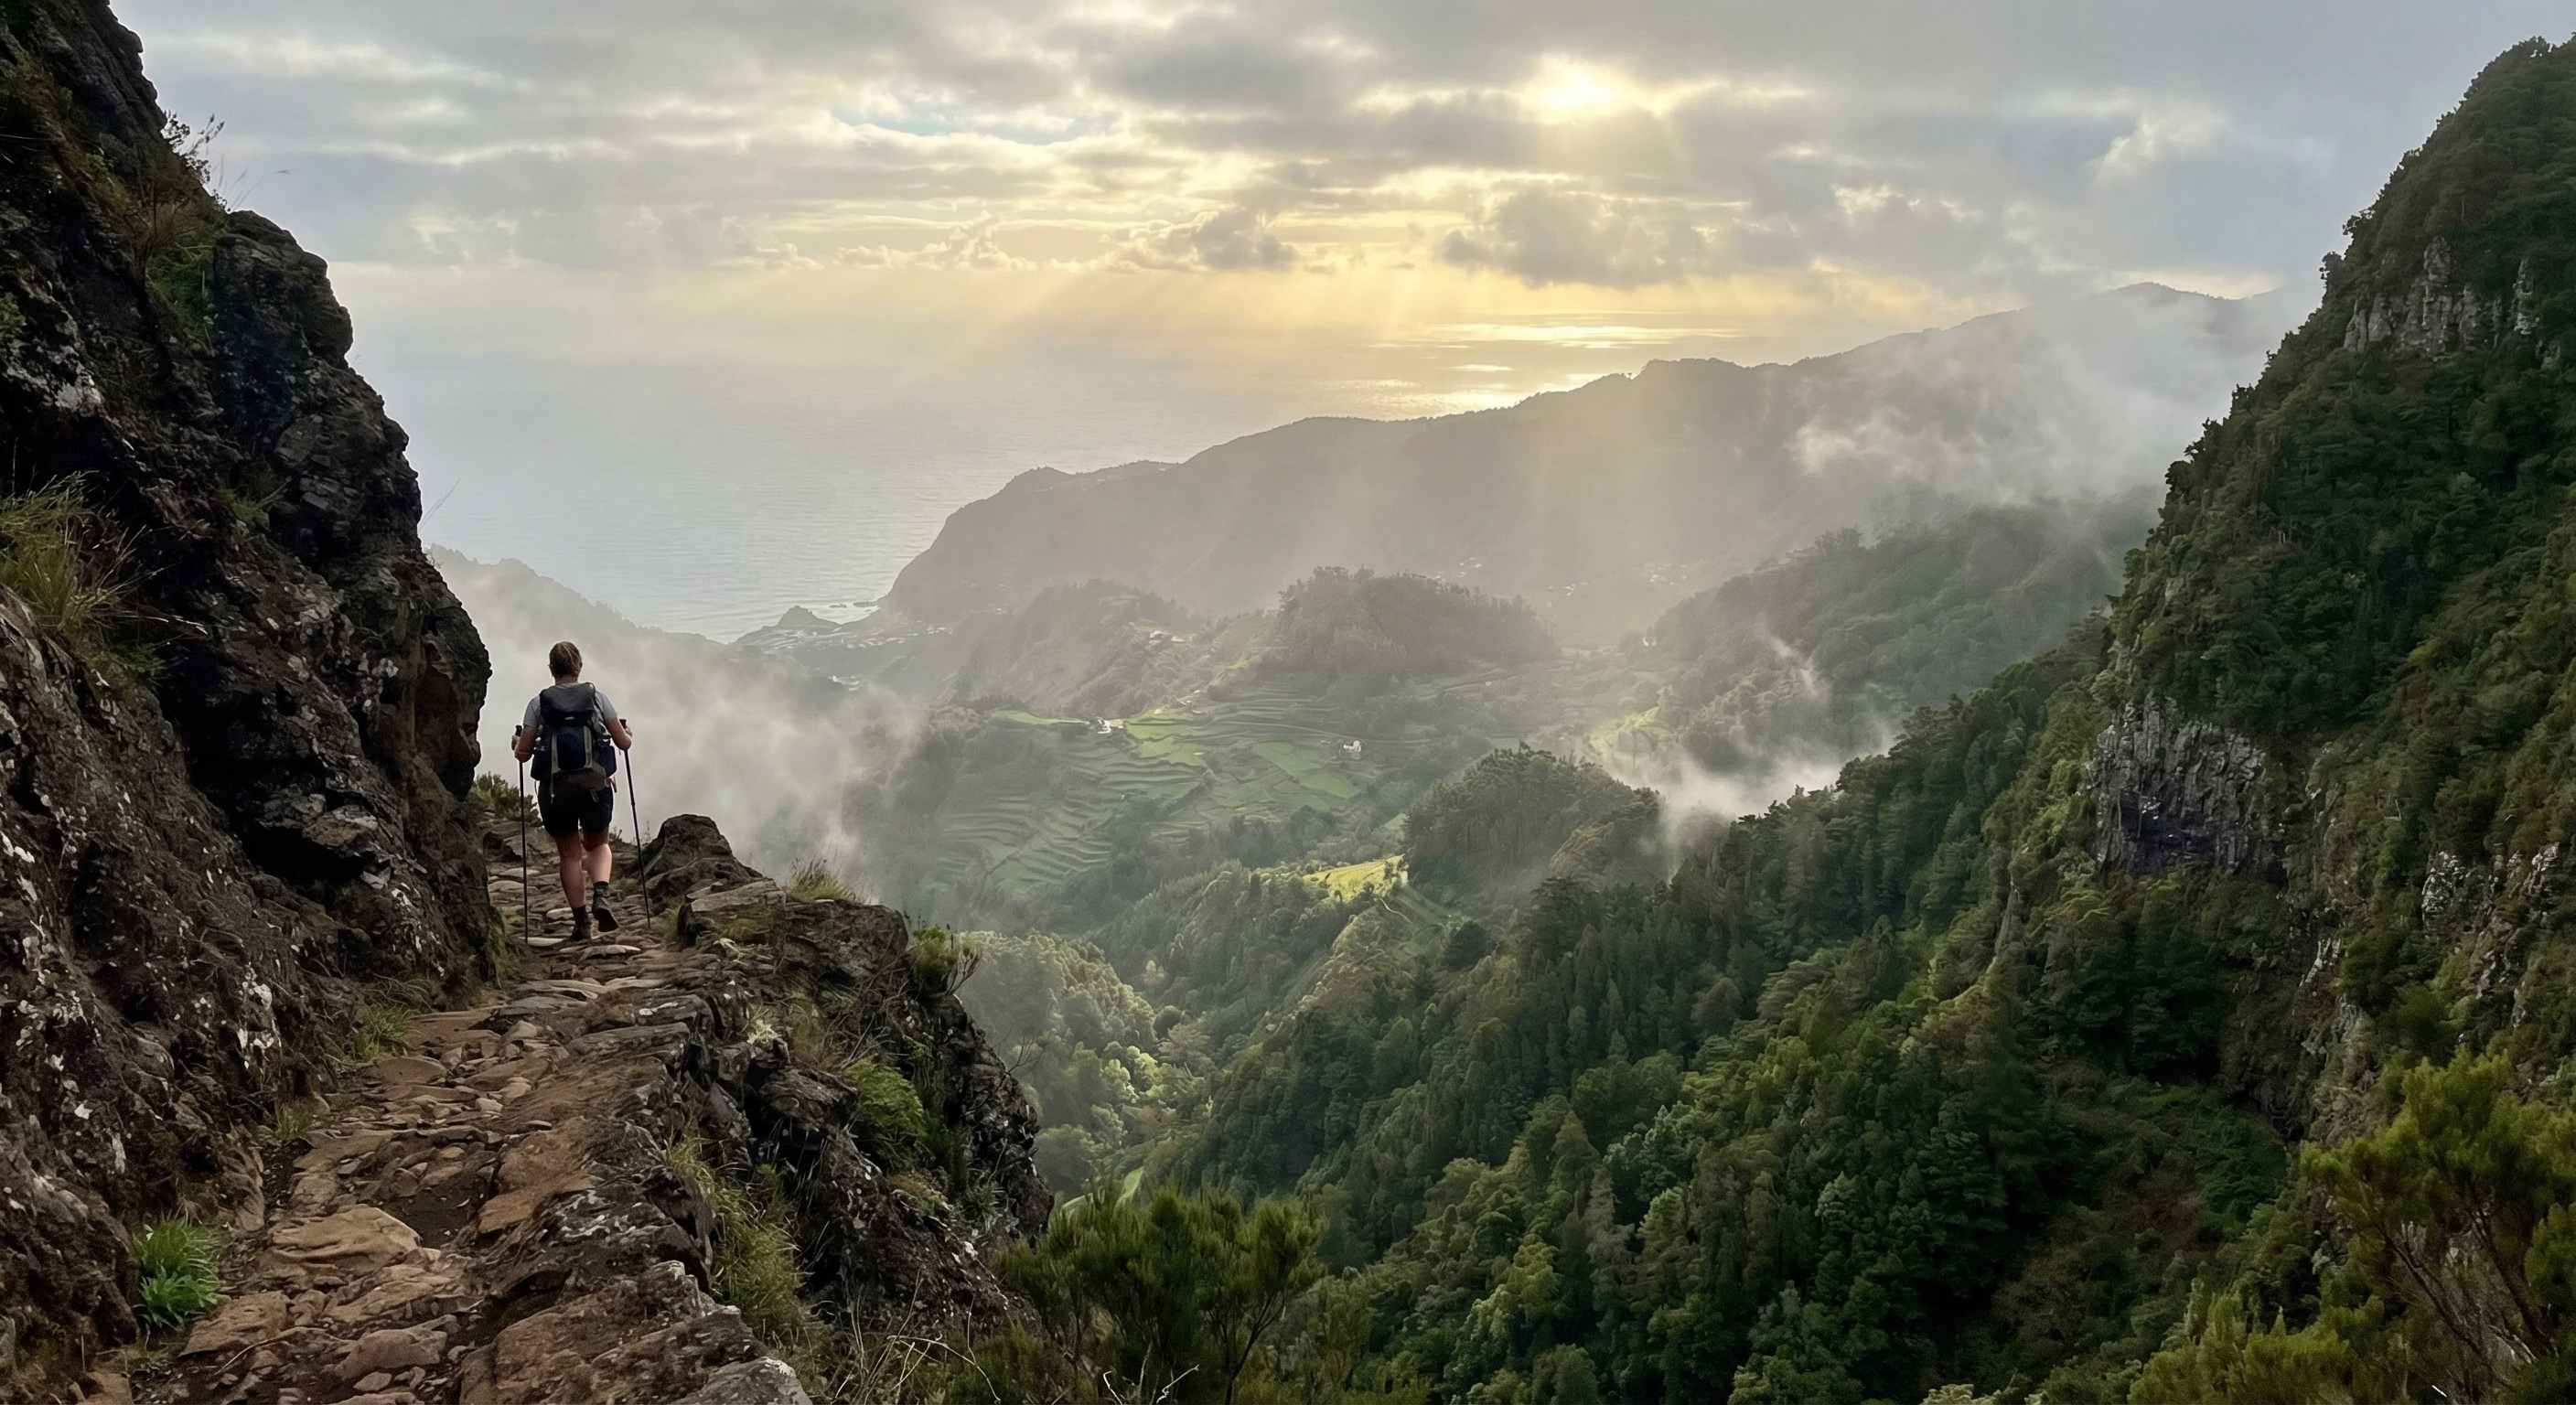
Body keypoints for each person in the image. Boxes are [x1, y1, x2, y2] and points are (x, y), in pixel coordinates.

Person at [512, 640, 634, 942]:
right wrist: (626, 732)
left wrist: (515, 742)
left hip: (555, 791)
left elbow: (523, 753)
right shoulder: (597, 699)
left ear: (552, 668)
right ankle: (601, 896)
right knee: (597, 844)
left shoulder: (538, 704)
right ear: (579, 665)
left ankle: (581, 925)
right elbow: (624, 743)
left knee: (569, 856)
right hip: (596, 787)